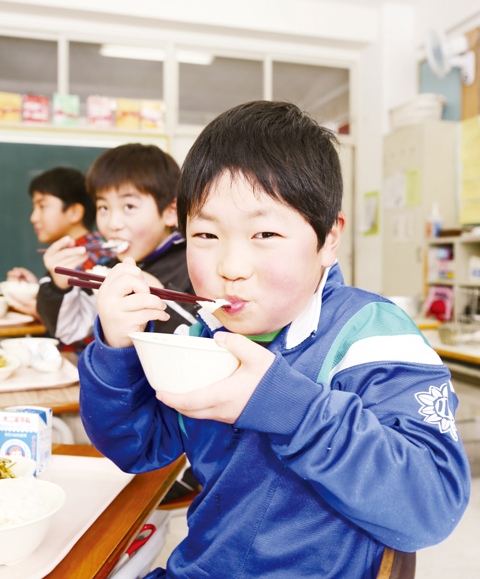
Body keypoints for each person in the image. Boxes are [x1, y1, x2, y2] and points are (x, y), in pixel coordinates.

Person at [78, 101, 470, 578]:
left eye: (263, 232)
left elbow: (430, 507)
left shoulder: (372, 337)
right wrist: (115, 352)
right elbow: (137, 450)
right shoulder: (202, 335)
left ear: (328, 238)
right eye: (205, 234)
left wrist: (287, 405)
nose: (231, 267)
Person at [36, 143, 197, 347]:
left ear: (170, 212)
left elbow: (207, 341)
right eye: (103, 207)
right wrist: (59, 285)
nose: (112, 224)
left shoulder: (193, 264)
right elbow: (70, 331)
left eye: (129, 206)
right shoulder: (111, 266)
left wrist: (158, 295)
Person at [6, 166, 111, 319]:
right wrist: (40, 288)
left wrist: (41, 311)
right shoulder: (74, 251)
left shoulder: (91, 257)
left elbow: (89, 325)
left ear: (74, 212)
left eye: (42, 206)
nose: (33, 217)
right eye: (34, 207)